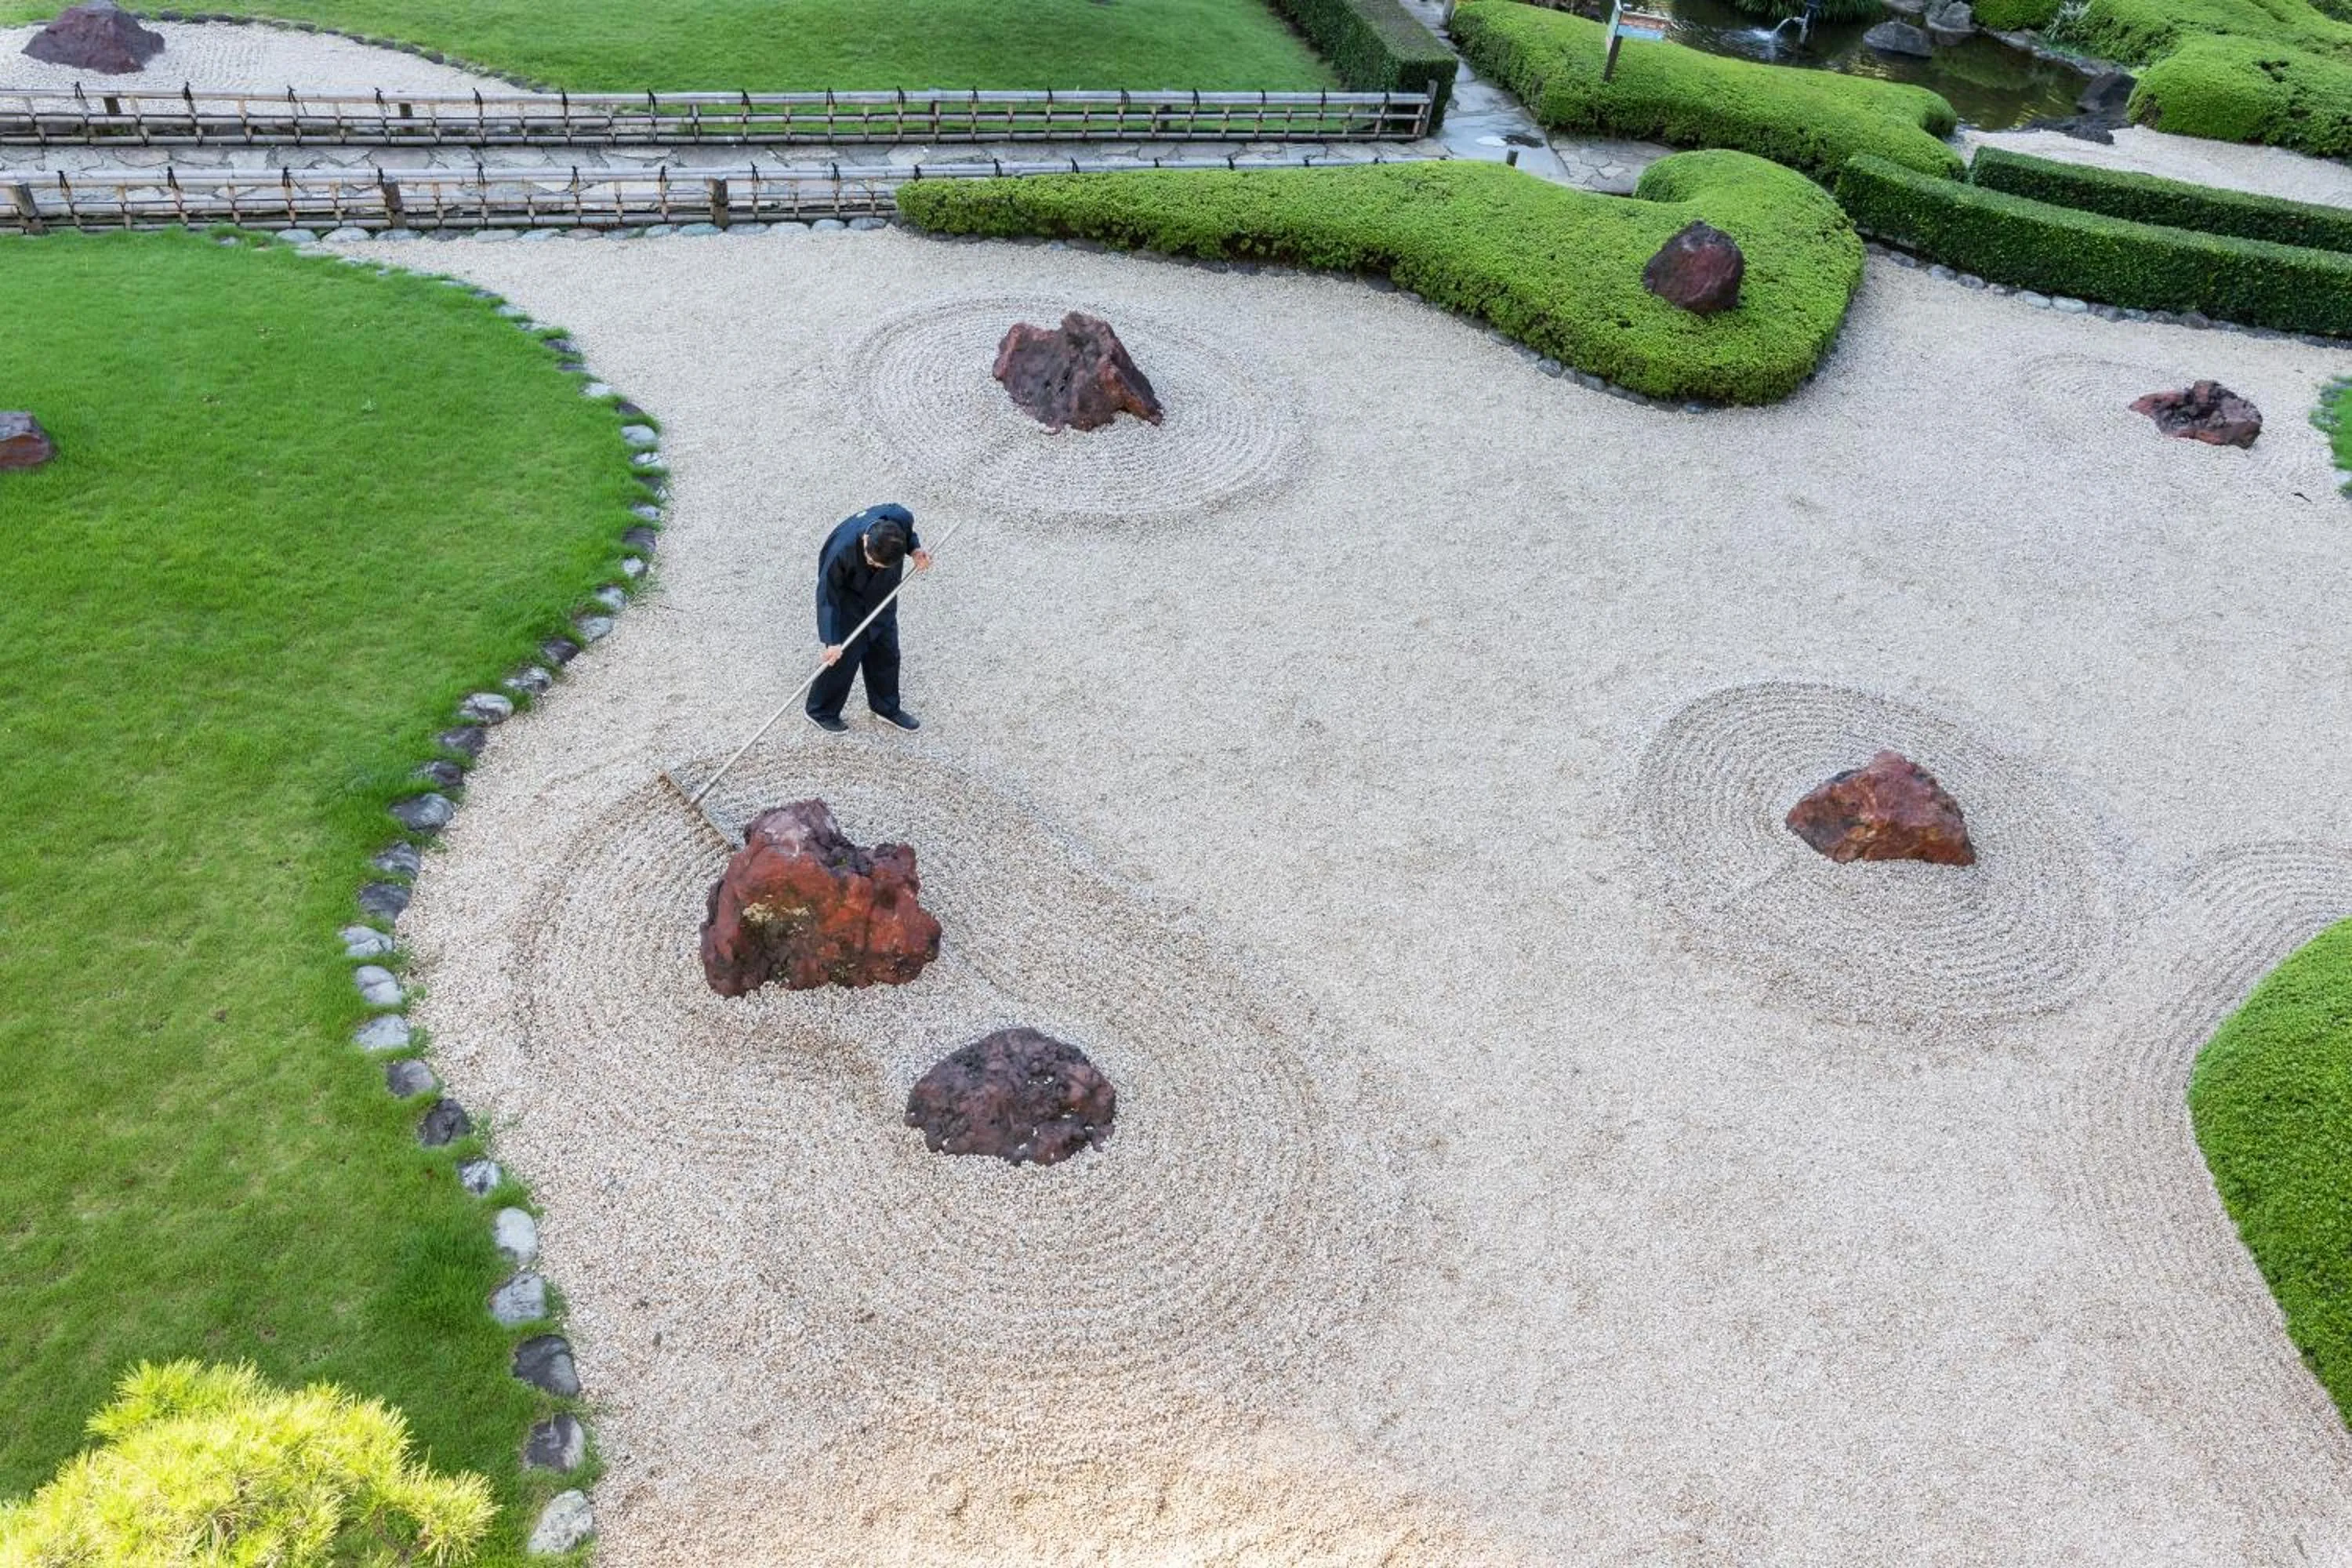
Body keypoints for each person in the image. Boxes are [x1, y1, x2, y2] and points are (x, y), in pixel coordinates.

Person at [806, 503, 931, 733]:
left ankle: (886, 707)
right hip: (849, 600)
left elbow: (909, 536)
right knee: (844, 657)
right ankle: (821, 710)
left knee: (886, 652)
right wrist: (832, 641)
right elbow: (827, 596)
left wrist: (915, 551)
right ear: (866, 540)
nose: (874, 566)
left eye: (881, 565)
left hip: (882, 596)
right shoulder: (840, 550)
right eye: (872, 562)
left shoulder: (900, 518)